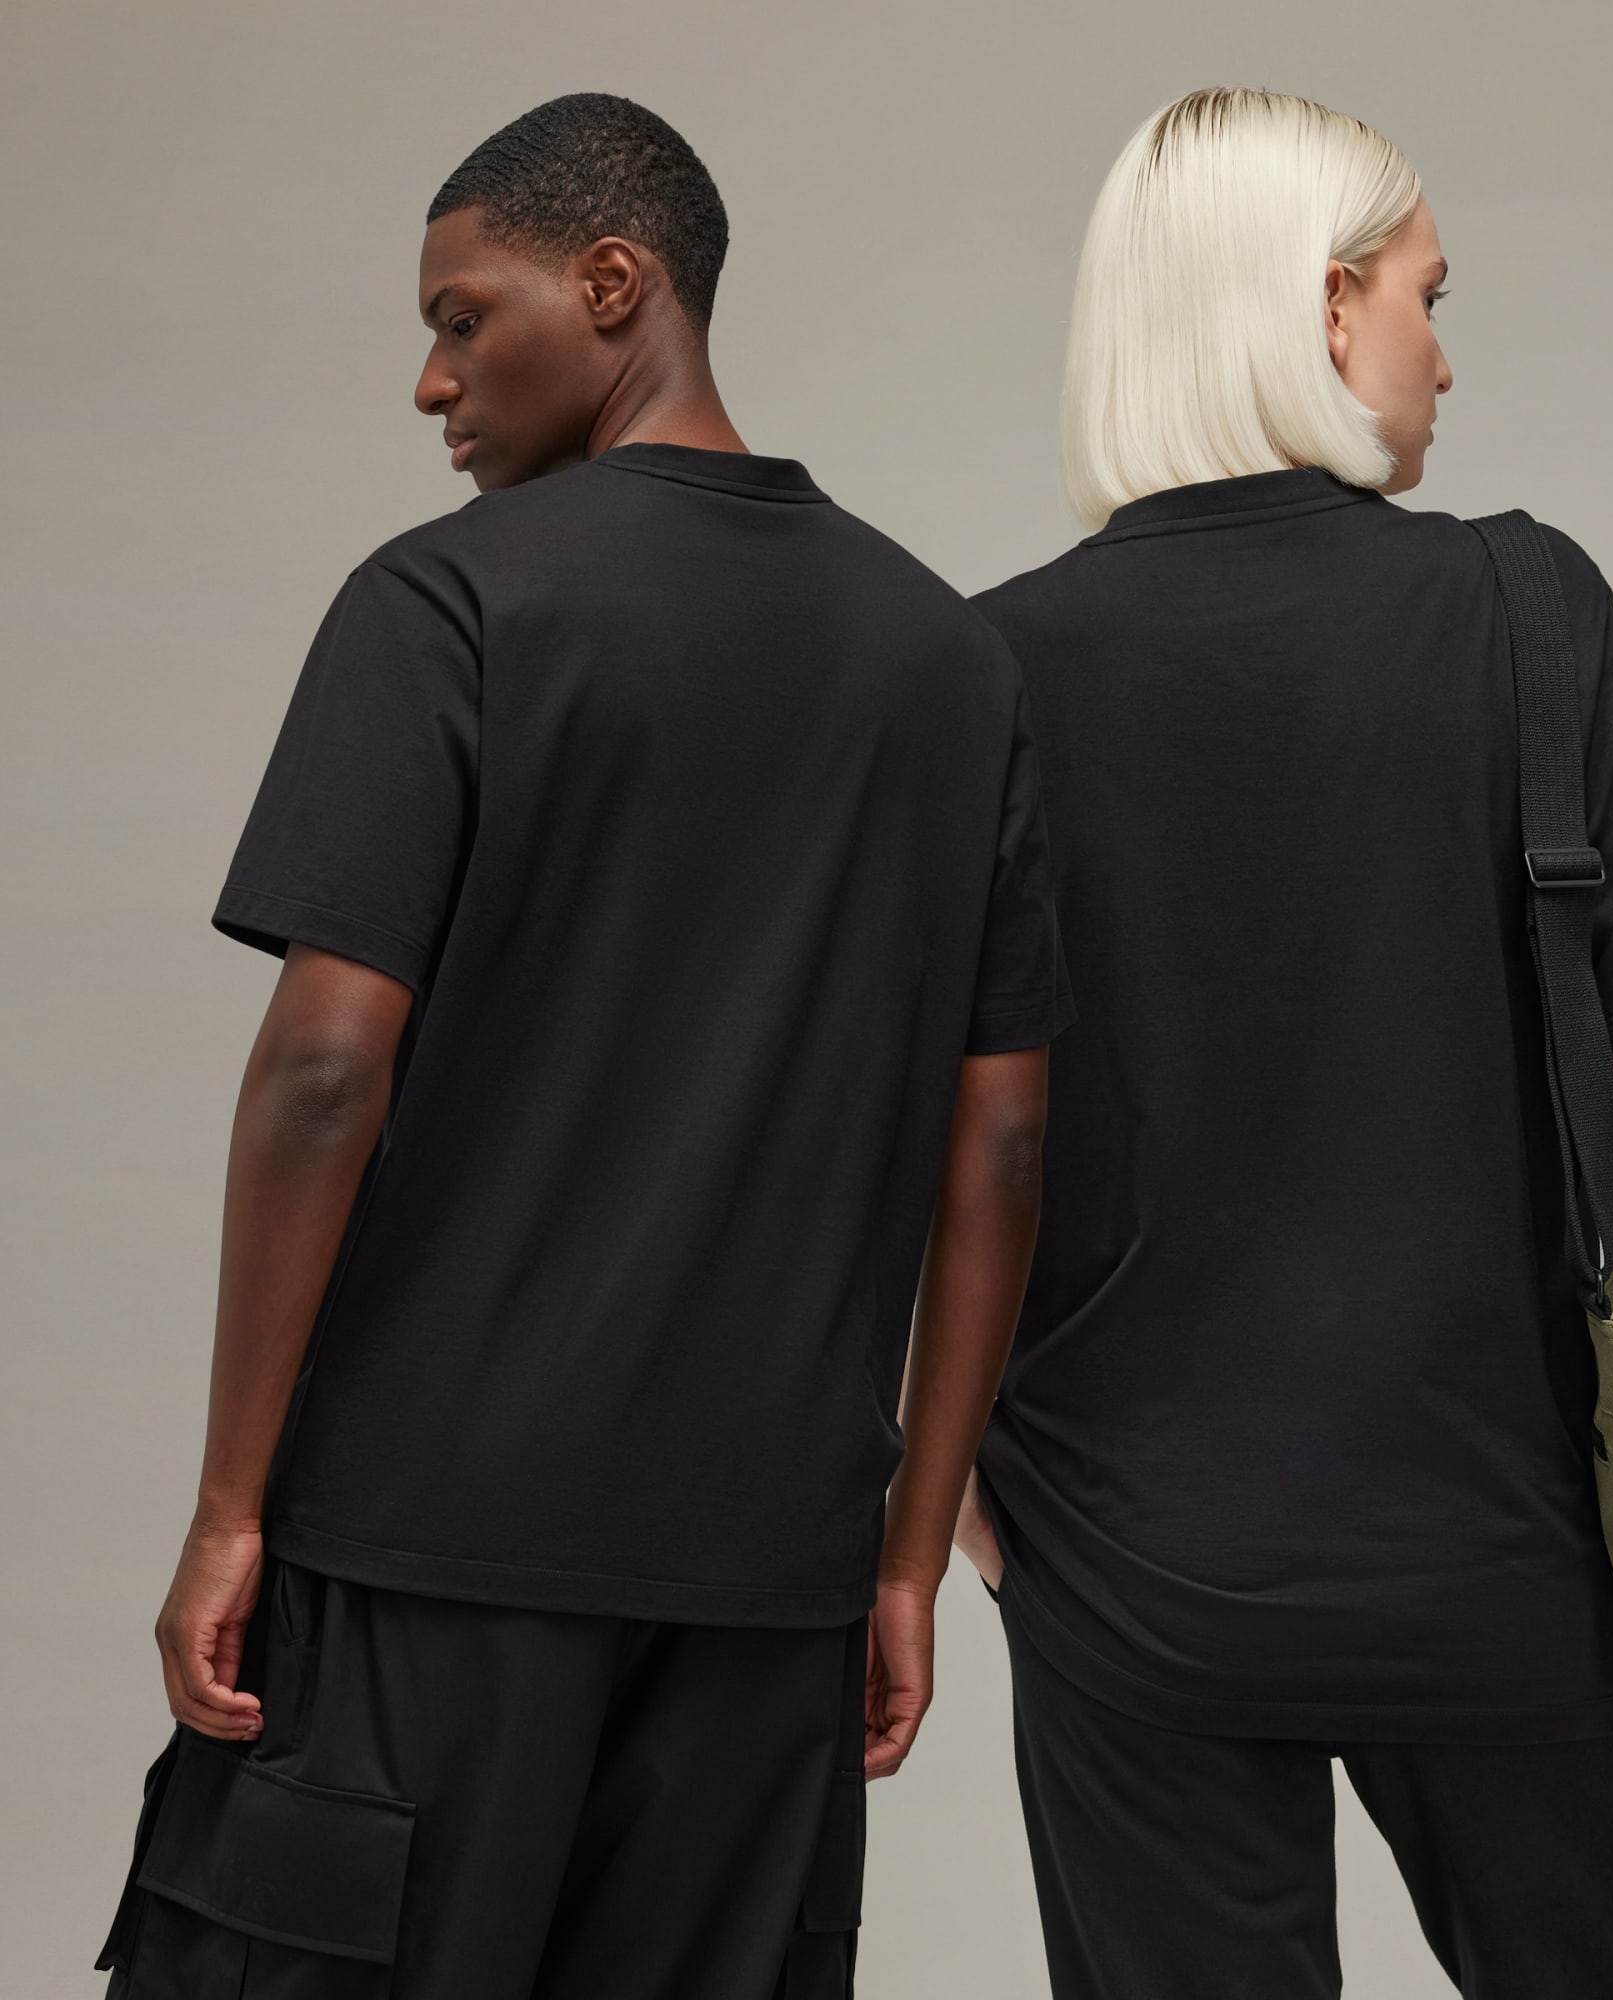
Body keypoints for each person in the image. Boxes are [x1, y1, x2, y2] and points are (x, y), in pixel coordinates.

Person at [97, 92, 1073, 1999]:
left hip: (430, 1542)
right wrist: (904, 1555)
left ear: (615, 283)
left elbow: (321, 1071)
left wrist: (228, 1508)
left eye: (463, 318)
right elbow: (1007, 1149)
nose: (431, 381)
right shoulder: (951, 662)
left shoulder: (448, 602)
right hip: (771, 1585)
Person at [954, 87, 1613, 1999]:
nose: (1444, 357)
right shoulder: (1528, 614)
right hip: (1509, 1553)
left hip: (1130, 1572)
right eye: (1426, 296)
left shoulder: (985, 672)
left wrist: (940, 1485)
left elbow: (923, 1134)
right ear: (1324, 303)